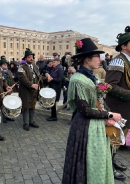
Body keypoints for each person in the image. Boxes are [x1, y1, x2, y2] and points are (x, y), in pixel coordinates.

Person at [62, 38, 121, 184]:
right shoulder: (78, 80)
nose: (100, 60)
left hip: (97, 126)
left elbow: (98, 101)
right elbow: (84, 110)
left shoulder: (92, 77)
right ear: (87, 59)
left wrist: (107, 115)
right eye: (97, 57)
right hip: (85, 128)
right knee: (86, 161)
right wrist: (109, 114)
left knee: (99, 160)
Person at [105, 26, 130, 181]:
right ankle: (109, 168)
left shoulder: (127, 61)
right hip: (117, 109)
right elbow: (110, 86)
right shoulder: (118, 61)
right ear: (124, 46)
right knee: (113, 141)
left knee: (119, 140)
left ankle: (113, 163)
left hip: (125, 108)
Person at [18, 48, 41, 131]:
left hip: (34, 91)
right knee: (25, 107)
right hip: (25, 91)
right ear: (25, 59)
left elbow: (39, 76)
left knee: (32, 106)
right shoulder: (21, 67)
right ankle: (26, 123)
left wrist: (47, 77)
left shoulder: (35, 66)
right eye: (29, 57)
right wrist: (31, 85)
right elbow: (22, 78)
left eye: (32, 57)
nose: (31, 58)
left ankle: (31, 121)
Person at [0, 58, 17, 122]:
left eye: (6, 64)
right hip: (4, 90)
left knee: (9, 103)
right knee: (4, 104)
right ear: (1, 65)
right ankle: (4, 117)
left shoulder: (8, 71)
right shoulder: (0, 72)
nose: (6, 66)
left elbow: (12, 80)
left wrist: (16, 84)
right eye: (4, 64)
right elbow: (2, 82)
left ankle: (8, 116)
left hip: (10, 90)